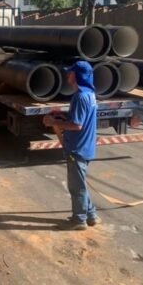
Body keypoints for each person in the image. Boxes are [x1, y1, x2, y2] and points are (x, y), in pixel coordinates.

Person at [43, 61, 100, 231]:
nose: (67, 75)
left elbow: (77, 125)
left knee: (76, 187)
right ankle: (91, 215)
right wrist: (63, 116)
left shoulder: (80, 97)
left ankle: (79, 220)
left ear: (75, 75)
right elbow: (78, 119)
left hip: (77, 148)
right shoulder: (89, 94)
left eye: (70, 73)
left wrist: (53, 121)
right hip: (84, 146)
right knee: (80, 184)